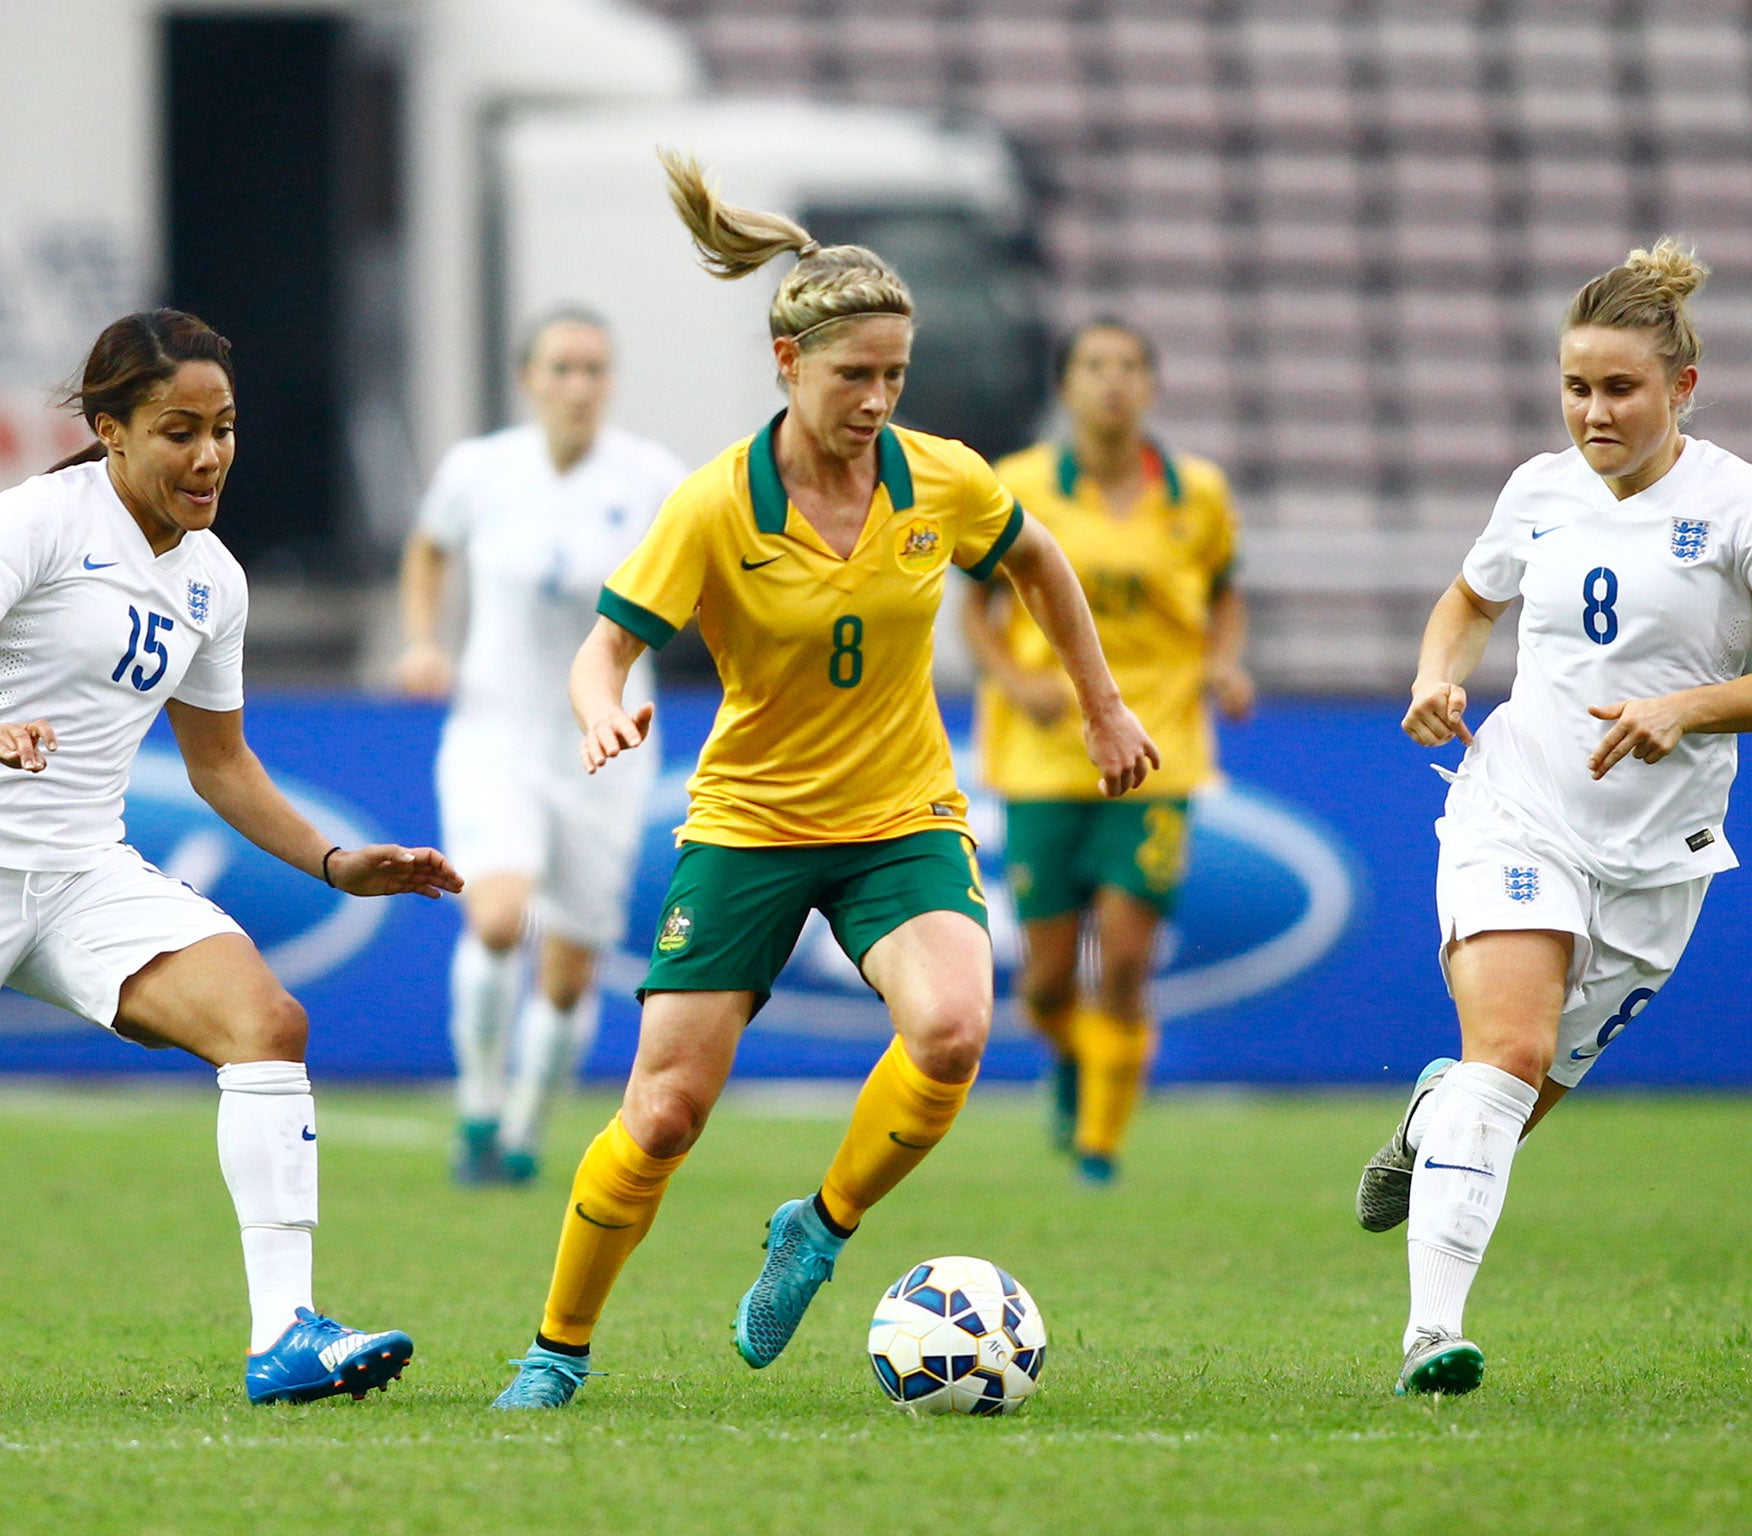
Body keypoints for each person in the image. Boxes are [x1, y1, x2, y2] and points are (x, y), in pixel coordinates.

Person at [489, 151, 1158, 1411]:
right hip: (746, 825)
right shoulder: (713, 507)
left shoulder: (941, 478)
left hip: (901, 815)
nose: (877, 398)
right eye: (854, 374)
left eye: (894, 375)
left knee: (954, 1030)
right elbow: (605, 648)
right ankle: (556, 1347)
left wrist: (1101, 700)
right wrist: (599, 715)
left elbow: (1041, 569)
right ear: (787, 366)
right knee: (665, 1113)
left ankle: (820, 1225)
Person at [0, 310, 461, 1409]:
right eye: (178, 432)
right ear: (110, 431)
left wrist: (339, 863)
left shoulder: (215, 581)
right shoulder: (40, 522)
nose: (208, 457)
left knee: (267, 1023)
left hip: (78, 873)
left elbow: (224, 767)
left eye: (225, 429)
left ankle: (285, 1333)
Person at [1359, 240, 1752, 1395]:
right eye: (1575, 387)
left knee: (1509, 1097)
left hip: (1657, 859)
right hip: (1517, 808)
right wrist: (1438, 675)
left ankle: (1433, 1124)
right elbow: (1468, 597)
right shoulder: (1535, 490)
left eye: (1618, 389)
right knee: (1510, 1051)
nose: (1592, 411)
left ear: (1679, 388)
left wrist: (1684, 708)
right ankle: (1430, 1335)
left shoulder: (1731, 506)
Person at [397, 309, 684, 1186]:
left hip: (606, 744)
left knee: (568, 970)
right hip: (496, 731)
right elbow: (429, 549)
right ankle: (479, 1106)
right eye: (561, 367)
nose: (578, 386)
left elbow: (704, 579)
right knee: (495, 915)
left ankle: (525, 1128)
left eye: (594, 369)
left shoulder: (653, 481)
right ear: (529, 379)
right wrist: (421, 640)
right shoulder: (479, 470)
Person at [964, 319, 1251, 1184]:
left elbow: (1226, 592)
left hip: (1156, 751)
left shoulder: (1196, 493)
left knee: (1124, 960)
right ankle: (1073, 1057)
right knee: (1046, 984)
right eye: (1095, 367)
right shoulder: (1019, 485)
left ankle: (1099, 1142)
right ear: (1067, 386)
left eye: (1130, 366)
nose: (1113, 382)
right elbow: (973, 605)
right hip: (1042, 756)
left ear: (1152, 386)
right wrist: (1016, 684)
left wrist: (1224, 663)